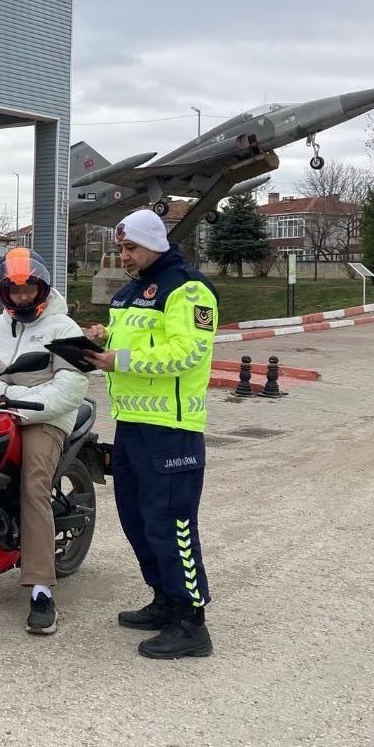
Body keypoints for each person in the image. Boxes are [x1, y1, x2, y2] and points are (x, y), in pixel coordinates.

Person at [82, 208, 218, 659]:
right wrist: (100, 339)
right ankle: (164, 598)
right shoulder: (131, 292)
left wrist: (118, 359)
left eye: (131, 247)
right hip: (132, 424)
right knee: (137, 520)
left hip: (173, 429)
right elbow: (131, 341)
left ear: (155, 243)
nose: (125, 255)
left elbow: (188, 353)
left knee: (172, 523)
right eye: (121, 247)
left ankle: (191, 621)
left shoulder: (189, 290)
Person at [0, 247, 89, 636]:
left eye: (28, 288)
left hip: (44, 416)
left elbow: (72, 385)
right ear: (3, 292)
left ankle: (40, 589)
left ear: (41, 287)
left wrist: (23, 409)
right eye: (13, 290)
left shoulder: (64, 328)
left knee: (33, 486)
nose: (21, 296)